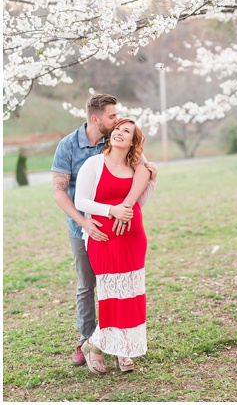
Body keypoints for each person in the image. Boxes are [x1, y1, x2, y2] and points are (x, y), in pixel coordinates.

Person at [49, 94, 155, 369]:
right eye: (112, 117)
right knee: (88, 286)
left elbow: (142, 177)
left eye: (121, 122)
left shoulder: (123, 146)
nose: (118, 121)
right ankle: (89, 342)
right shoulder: (70, 147)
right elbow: (61, 193)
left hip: (125, 234)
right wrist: (84, 222)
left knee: (126, 290)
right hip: (82, 226)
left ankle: (121, 346)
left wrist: (129, 203)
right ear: (96, 119)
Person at [73, 118, 154, 373]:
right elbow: (81, 201)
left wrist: (149, 181)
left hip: (133, 238)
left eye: (127, 131)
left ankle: (124, 349)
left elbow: (141, 200)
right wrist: (112, 210)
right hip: (103, 239)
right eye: (118, 128)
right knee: (112, 296)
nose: (120, 132)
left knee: (132, 296)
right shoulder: (94, 164)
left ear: (133, 141)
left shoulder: (135, 167)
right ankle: (94, 346)